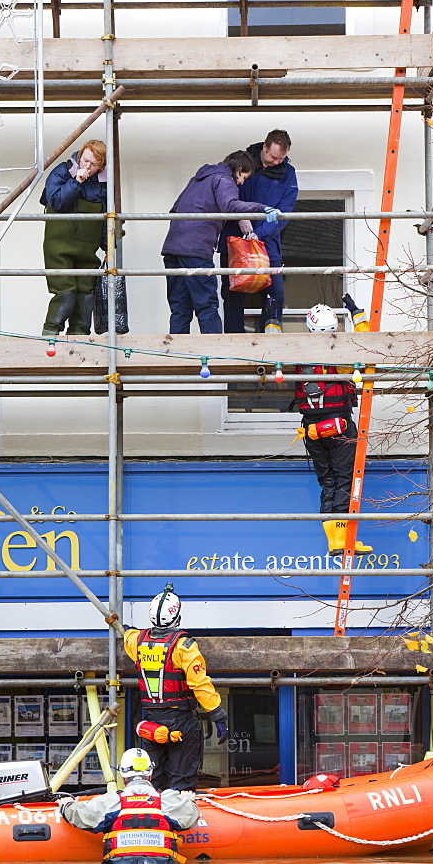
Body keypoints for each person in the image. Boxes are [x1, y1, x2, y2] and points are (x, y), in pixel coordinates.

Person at [123, 583, 228, 790]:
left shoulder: (137, 642)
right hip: (182, 723)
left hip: (151, 724)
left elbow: (128, 635)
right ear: (177, 618)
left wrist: (126, 630)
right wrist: (218, 715)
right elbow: (199, 683)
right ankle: (178, 818)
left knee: (153, 781)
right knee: (182, 781)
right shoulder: (184, 647)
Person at [161, 151, 277, 335]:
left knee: (180, 308)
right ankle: (214, 356)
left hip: (172, 249)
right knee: (207, 304)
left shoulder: (198, 179)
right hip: (196, 250)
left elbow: (174, 209)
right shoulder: (224, 180)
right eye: (244, 177)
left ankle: (177, 357)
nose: (241, 183)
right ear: (238, 170)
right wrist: (261, 208)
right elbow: (230, 205)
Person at [295, 294, 374, 556]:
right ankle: (341, 539)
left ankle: (335, 540)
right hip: (339, 428)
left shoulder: (297, 355)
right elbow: (369, 344)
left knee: (328, 482)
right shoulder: (340, 356)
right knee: (345, 480)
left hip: (311, 431)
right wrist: (357, 312)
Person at [58, 747, 200, 864]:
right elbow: (190, 816)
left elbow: (79, 815)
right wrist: (188, 800)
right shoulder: (169, 799)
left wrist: (66, 805)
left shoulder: (110, 800)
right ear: (150, 774)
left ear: (123, 777)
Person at [219, 129, 298, 334]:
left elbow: (284, 213)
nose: (276, 163)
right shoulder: (241, 164)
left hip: (268, 244)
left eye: (281, 159)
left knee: (275, 294)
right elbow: (226, 197)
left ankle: (270, 345)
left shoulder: (288, 174)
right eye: (273, 157)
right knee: (233, 294)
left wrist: (259, 234)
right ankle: (235, 345)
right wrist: (240, 217)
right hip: (234, 239)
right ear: (264, 147)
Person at [40, 139, 106, 336]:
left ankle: (80, 337)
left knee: (86, 294)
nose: (88, 166)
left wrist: (108, 248)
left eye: (94, 164)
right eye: (86, 160)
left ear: (101, 165)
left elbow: (106, 218)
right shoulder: (62, 171)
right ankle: (51, 333)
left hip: (88, 247)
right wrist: (77, 181)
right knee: (66, 292)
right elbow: (56, 202)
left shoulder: (104, 183)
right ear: (80, 156)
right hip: (59, 245)